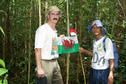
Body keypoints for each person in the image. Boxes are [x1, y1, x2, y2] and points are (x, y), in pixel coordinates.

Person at [34, 6, 64, 84]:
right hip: (45, 63)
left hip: (55, 62)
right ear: (48, 16)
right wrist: (39, 68)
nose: (55, 16)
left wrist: (59, 39)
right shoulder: (43, 29)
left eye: (57, 14)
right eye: (52, 14)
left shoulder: (54, 31)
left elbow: (52, 45)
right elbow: (37, 49)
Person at [79, 20, 114, 84]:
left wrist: (111, 73)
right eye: (93, 28)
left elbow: (111, 58)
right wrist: (84, 50)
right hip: (93, 69)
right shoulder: (94, 41)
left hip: (103, 71)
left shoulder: (107, 41)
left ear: (101, 29)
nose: (95, 30)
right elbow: (95, 55)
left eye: (97, 27)